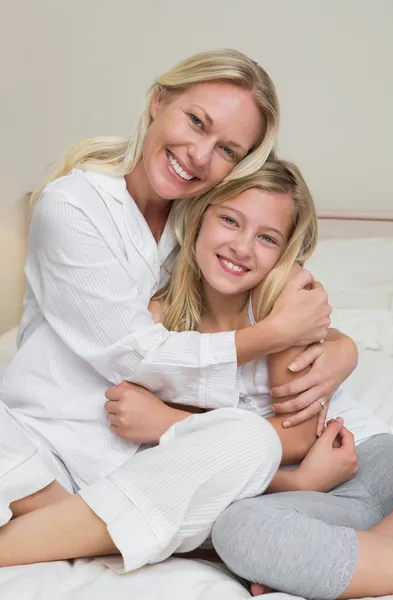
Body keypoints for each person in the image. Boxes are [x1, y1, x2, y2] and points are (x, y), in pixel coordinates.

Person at [0, 159, 358, 574]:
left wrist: (166, 422)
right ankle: (70, 521)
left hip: (175, 476)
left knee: (251, 440)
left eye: (267, 237)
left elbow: (292, 437)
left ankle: (46, 532)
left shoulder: (283, 308)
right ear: (199, 219)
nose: (242, 247)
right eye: (229, 220)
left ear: (287, 252)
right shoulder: (156, 309)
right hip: (103, 475)